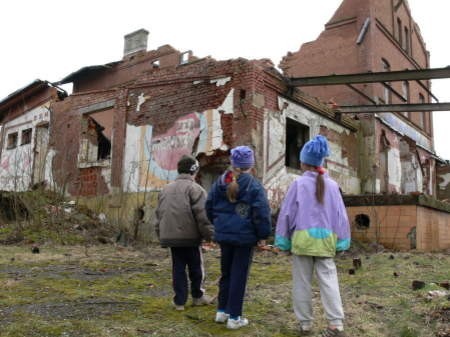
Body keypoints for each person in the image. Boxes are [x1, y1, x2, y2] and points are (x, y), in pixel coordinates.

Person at [275, 135, 350, 337]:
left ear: (303, 162)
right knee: (329, 281)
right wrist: (342, 242)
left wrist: (283, 241)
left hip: (302, 241)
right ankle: (336, 325)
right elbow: (341, 216)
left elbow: (286, 214)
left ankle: (305, 324)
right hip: (326, 242)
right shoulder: (333, 187)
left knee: (301, 282)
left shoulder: (297, 185)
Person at [206, 145, 271, 330]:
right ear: (250, 165)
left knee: (225, 273)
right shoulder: (254, 186)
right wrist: (262, 235)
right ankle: (234, 317)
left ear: (233, 162)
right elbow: (261, 213)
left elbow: (208, 206)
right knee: (239, 276)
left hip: (224, 236)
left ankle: (222, 311)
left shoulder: (220, 182)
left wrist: (219, 224)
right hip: (245, 238)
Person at [155, 155, 214, 311]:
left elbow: (159, 214)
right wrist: (210, 235)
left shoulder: (165, 189)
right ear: (194, 170)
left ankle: (179, 301)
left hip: (171, 237)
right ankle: (198, 296)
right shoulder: (196, 189)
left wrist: (159, 234)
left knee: (178, 268)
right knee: (196, 267)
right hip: (191, 237)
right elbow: (203, 216)